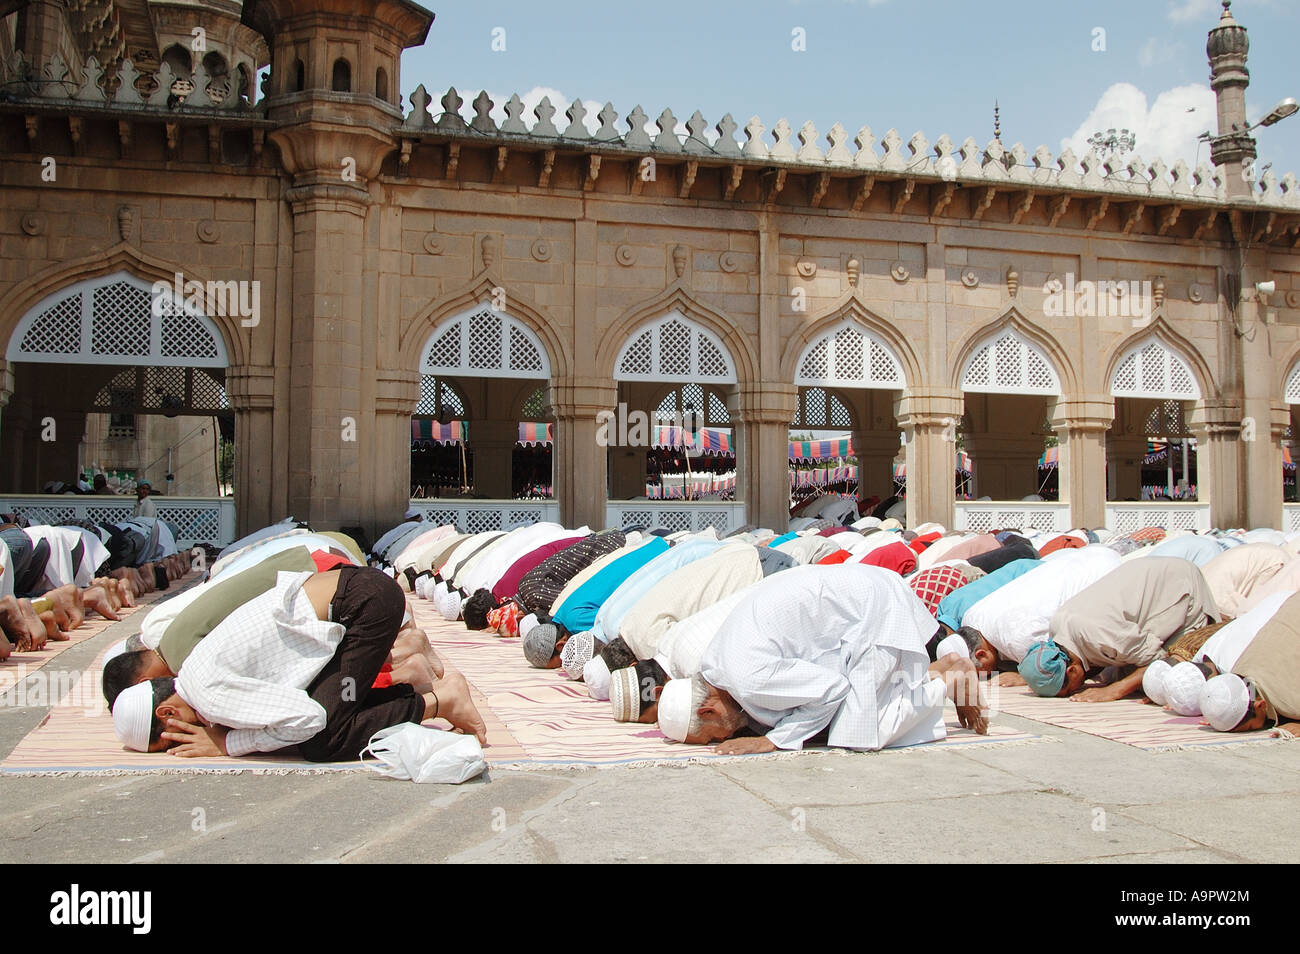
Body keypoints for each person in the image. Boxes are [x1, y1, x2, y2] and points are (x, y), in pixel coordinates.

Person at [111, 566, 485, 760]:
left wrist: (228, 744)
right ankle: (428, 694)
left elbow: (310, 719)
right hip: (359, 597)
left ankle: (442, 701)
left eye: (174, 743)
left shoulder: (207, 694)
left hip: (365, 605)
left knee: (323, 741)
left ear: (168, 715)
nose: (188, 745)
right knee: (330, 711)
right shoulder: (193, 673)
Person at [656, 564, 988, 754]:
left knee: (860, 734)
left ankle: (951, 678)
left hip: (870, 608)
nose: (724, 738)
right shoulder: (715, 665)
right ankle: (940, 669)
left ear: (708, 710)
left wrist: (771, 742)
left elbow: (831, 689)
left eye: (715, 735)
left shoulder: (746, 678)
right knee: (845, 718)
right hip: (857, 601)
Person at [1018, 557, 1217, 702]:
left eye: (1070, 689)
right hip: (1150, 574)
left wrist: (1114, 691)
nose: (1075, 691)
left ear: (1071, 669)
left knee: (1167, 677)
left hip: (1180, 585)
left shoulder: (1099, 634)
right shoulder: (1060, 629)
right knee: (1133, 677)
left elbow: (1158, 660)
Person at [1200, 590, 1300, 736]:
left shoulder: (1291, 702)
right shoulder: (1236, 668)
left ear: (1261, 706)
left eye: (1249, 728)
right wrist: (1220, 715)